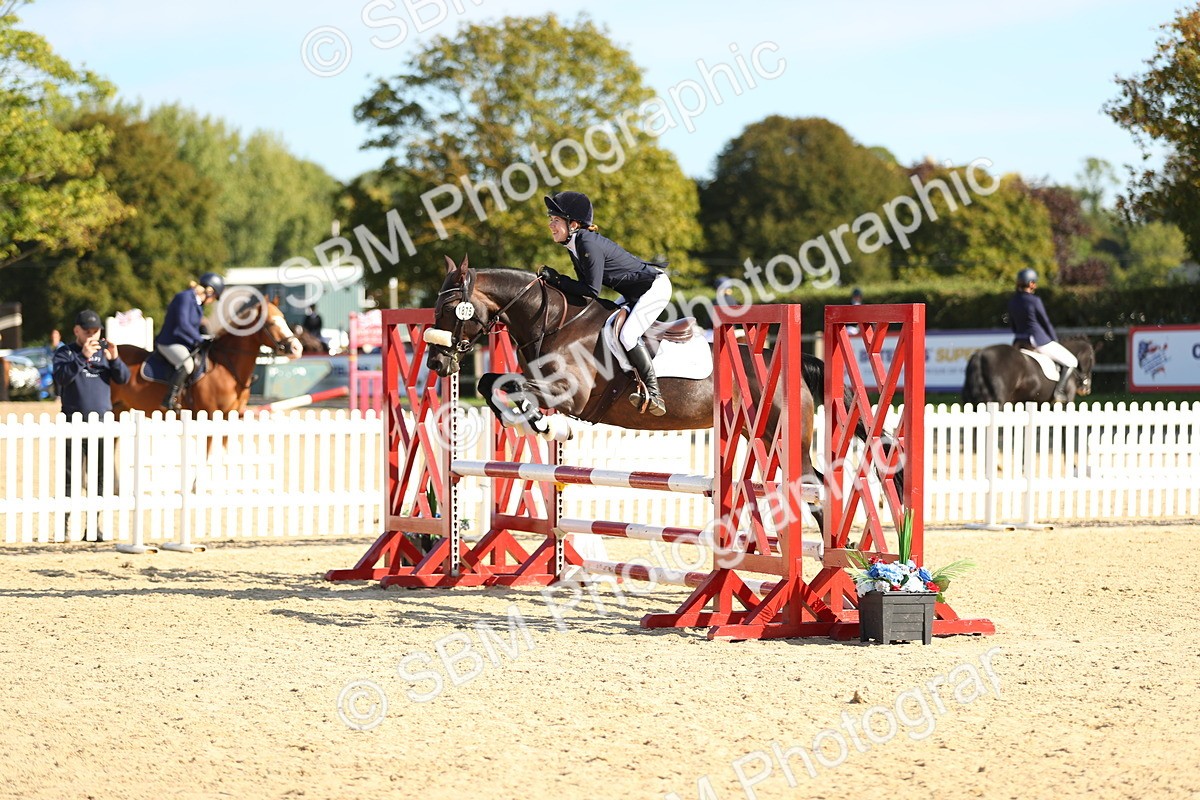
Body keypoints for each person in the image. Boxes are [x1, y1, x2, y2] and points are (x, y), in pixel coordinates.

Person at [541, 191, 671, 416]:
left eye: (556, 220)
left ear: (573, 223)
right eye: (550, 219)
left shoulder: (587, 244)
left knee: (627, 335)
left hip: (653, 288)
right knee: (607, 327)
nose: (551, 225)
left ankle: (654, 392)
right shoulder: (575, 244)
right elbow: (585, 289)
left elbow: (591, 290)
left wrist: (559, 280)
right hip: (632, 293)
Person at [52, 309, 131, 541]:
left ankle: (93, 527)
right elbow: (61, 378)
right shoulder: (65, 352)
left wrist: (115, 359)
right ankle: (65, 526)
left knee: (100, 479)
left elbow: (124, 378)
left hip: (101, 424)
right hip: (72, 422)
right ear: (76, 330)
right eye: (87, 331)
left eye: (95, 331)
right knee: (71, 476)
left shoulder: (106, 352)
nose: (91, 335)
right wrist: (82, 357)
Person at [1007, 268, 1077, 402]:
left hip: (1019, 341)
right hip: (1038, 340)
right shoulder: (1034, 300)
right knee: (1071, 361)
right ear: (1031, 284)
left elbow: (1013, 325)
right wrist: (1054, 340)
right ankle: (1059, 392)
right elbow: (1045, 322)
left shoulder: (1012, 301)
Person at [155, 272, 223, 409]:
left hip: (184, 343)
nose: (213, 300)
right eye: (214, 297)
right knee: (187, 365)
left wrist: (207, 336)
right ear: (210, 291)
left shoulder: (198, 305)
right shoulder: (184, 297)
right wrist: (199, 339)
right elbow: (183, 324)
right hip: (170, 342)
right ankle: (169, 400)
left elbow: (195, 325)